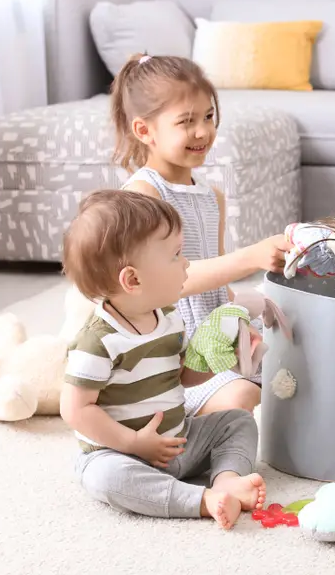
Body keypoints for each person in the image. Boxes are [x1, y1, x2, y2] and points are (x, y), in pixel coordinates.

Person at [59, 189, 266, 529]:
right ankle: (200, 500)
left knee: (237, 422)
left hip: (178, 439)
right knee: (104, 477)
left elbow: (183, 376)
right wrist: (133, 443)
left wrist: (217, 358)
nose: (186, 264)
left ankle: (227, 479)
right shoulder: (97, 341)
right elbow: (75, 409)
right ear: (133, 279)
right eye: (176, 255)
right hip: (120, 451)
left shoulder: (168, 317)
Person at [111, 53, 293, 418]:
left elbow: (218, 287)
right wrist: (249, 257)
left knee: (298, 364)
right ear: (144, 131)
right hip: (174, 354)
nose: (202, 132)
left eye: (208, 117)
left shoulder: (213, 197)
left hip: (215, 336)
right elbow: (166, 284)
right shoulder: (144, 195)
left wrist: (241, 322)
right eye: (186, 122)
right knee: (245, 397)